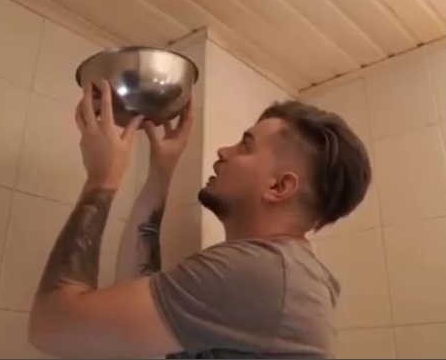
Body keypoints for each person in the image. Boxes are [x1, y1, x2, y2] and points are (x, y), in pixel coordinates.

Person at [28, 79, 372, 359]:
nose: (224, 151)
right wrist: (161, 171)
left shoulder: (261, 273)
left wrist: (102, 180)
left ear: (279, 187)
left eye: (246, 146)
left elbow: (52, 326)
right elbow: (137, 328)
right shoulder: (285, 272)